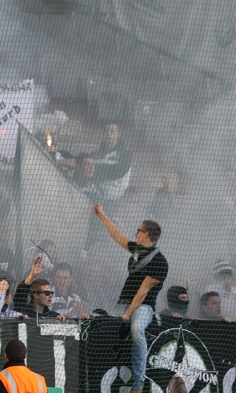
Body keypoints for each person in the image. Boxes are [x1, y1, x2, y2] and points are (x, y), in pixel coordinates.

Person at [93, 203, 167, 393]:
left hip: (143, 307)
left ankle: (138, 382)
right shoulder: (136, 249)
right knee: (105, 327)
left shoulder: (160, 261)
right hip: (124, 302)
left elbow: (143, 292)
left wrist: (128, 313)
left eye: (138, 231)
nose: (135, 234)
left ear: (146, 234)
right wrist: (102, 215)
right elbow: (118, 236)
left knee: (136, 328)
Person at [90, 123, 132, 200]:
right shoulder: (97, 153)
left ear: (118, 134)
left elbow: (119, 171)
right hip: (96, 190)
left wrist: (96, 169)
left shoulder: (126, 153)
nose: (109, 134)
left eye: (112, 131)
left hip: (114, 195)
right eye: (106, 131)